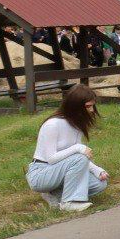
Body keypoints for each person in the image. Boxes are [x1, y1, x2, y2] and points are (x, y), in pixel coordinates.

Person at [25, 84, 108, 212]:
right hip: (40, 174)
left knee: (99, 184)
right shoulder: (52, 124)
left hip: (62, 171)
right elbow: (51, 159)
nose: (91, 110)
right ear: (75, 106)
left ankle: (55, 195)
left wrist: (97, 170)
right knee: (79, 157)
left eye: (92, 105)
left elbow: (79, 158)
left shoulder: (76, 125)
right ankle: (69, 203)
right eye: (88, 106)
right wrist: (78, 148)